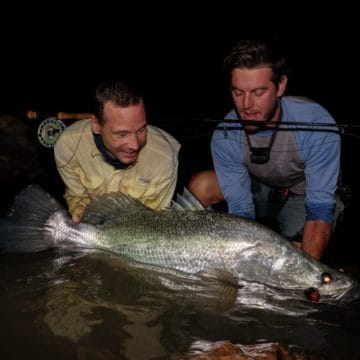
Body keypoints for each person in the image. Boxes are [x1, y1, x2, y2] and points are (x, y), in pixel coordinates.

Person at [188, 39, 344, 260]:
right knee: (201, 186)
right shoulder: (225, 133)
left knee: (295, 262)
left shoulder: (317, 123)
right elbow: (241, 209)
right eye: (238, 93)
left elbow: (319, 207)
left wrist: (310, 273)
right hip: (260, 187)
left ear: (280, 86)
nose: (247, 105)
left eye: (258, 92)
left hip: (302, 194)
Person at [54, 80, 180, 224]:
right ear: (96, 125)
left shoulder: (164, 157)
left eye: (141, 130)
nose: (135, 145)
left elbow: (154, 222)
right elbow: (78, 197)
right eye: (122, 134)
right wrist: (79, 214)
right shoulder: (68, 146)